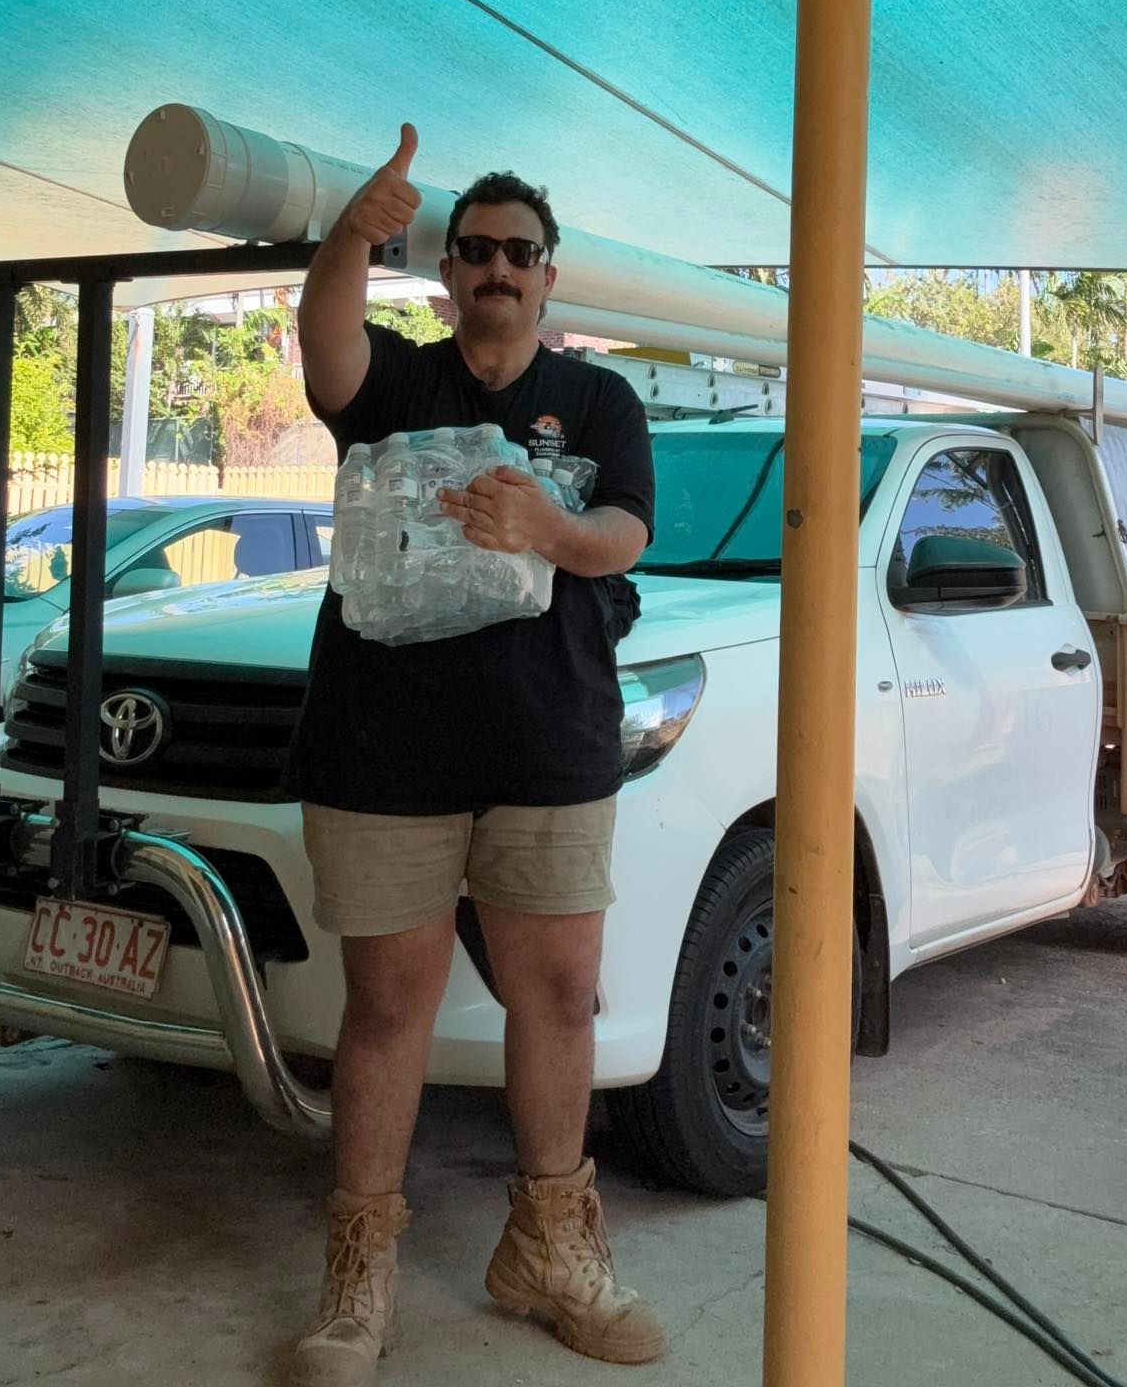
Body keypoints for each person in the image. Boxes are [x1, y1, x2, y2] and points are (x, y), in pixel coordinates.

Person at [288, 124, 664, 1384]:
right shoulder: (398, 382)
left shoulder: (600, 400)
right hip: (385, 748)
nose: (499, 266)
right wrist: (351, 234)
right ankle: (359, 1281)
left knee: (555, 996)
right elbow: (326, 348)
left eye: (521, 250)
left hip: (550, 746)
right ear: (447, 271)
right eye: (477, 248)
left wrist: (549, 525)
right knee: (388, 1004)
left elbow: (625, 534)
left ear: (549, 274)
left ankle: (550, 1249)